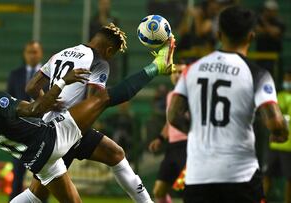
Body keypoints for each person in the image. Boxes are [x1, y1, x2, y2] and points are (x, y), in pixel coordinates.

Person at [0, 37, 175, 202]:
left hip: (39, 160)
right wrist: (62, 83)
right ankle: (157, 66)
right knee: (103, 98)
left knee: (35, 197)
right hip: (51, 138)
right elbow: (35, 109)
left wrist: (49, 102)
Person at [24, 23, 157, 203]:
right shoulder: (99, 62)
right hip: (67, 130)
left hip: (51, 126)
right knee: (37, 194)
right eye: (113, 55)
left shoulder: (61, 53)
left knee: (115, 153)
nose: (111, 59)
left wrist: (48, 103)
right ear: (109, 50)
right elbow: (93, 102)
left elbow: (32, 87)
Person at [167, 6, 288, 203]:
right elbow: (275, 123)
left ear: (219, 33)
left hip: (198, 176)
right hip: (240, 176)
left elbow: (173, 116)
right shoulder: (258, 74)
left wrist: (195, 130)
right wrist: (280, 133)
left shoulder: (191, 70)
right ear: (251, 36)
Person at [6, 40, 47, 201]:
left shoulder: (50, 74)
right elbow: (9, 101)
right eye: (29, 52)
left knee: (44, 177)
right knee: (17, 175)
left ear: (41, 53)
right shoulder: (15, 75)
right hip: (20, 132)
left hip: (43, 131)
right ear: (24, 54)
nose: (32, 55)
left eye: (35, 52)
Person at [148, 64, 187, 203]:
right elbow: (169, 122)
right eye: (175, 71)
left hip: (188, 148)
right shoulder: (171, 95)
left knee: (188, 191)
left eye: (181, 71)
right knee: (159, 191)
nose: (177, 75)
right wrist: (160, 138)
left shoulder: (193, 94)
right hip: (172, 149)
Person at [263, 72, 291, 203]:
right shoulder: (278, 96)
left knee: (289, 179)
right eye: (286, 79)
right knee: (266, 175)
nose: (287, 83)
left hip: (289, 148)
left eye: (289, 80)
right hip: (274, 146)